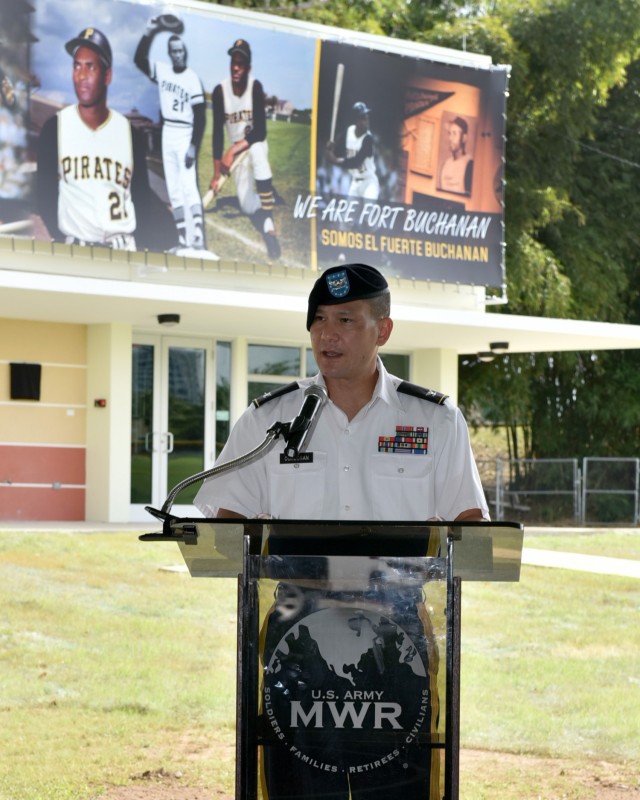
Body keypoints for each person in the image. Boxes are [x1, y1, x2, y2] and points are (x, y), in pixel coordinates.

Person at [195, 263, 488, 799]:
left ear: (384, 329)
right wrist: (237, 535)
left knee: (399, 782)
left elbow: (470, 525)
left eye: (347, 320)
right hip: (298, 628)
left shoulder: (435, 421)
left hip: (396, 630)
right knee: (296, 779)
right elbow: (222, 517)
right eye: (319, 321)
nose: (328, 335)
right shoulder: (270, 421)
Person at [37, 27, 151, 250]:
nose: (81, 75)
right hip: (75, 251)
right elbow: (45, 195)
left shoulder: (129, 133)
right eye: (76, 66)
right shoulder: (55, 127)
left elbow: (143, 202)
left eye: (90, 67)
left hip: (123, 249)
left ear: (107, 76)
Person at [134, 17, 207, 251]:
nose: (178, 55)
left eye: (181, 51)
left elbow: (201, 116)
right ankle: (183, 238)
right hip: (168, 132)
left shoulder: (192, 78)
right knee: (174, 189)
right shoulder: (163, 71)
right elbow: (139, 59)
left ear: (184, 52)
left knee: (188, 186)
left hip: (185, 131)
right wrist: (150, 32)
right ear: (170, 53)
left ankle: (198, 235)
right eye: (174, 51)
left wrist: (194, 144)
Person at [210, 38, 281, 260]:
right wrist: (215, 174)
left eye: (241, 63)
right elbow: (217, 133)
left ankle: (268, 222)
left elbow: (260, 131)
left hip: (253, 144)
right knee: (247, 206)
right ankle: (265, 199)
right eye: (233, 61)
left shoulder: (255, 87)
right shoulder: (220, 91)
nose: (236, 67)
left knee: (259, 151)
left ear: (248, 67)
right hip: (237, 153)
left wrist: (232, 152)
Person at [325, 101, 380, 200]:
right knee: (349, 215)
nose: (367, 120)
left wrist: (335, 160)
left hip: (369, 183)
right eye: (363, 118)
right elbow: (335, 154)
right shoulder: (348, 131)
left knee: (368, 213)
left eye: (367, 117)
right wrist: (329, 149)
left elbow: (356, 162)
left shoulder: (368, 138)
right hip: (354, 182)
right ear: (356, 121)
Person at [438, 115, 473, 196]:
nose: (450, 138)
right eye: (449, 133)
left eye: (454, 134)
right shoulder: (445, 165)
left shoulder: (469, 164)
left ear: (464, 137)